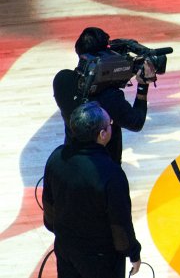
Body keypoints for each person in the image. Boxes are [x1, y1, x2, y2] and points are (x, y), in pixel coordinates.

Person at [43, 101, 142, 277]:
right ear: (102, 134)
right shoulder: (112, 174)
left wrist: (59, 233)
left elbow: (49, 206)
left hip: (65, 247)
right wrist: (133, 252)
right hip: (100, 258)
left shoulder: (56, 157)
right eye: (110, 124)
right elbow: (120, 224)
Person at [53, 27, 156, 164]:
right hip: (104, 168)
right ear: (102, 56)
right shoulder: (110, 96)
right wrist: (143, 85)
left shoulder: (62, 80)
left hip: (70, 161)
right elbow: (136, 122)